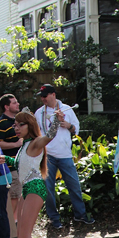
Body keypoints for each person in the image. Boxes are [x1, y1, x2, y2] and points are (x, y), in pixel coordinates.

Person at [0, 110, 64, 238]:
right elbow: (23, 165)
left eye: (21, 124)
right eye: (15, 125)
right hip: (26, 189)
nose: (16, 128)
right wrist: (8, 160)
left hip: (35, 188)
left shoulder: (36, 142)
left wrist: (57, 121)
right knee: (21, 236)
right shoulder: (24, 145)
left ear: (29, 125)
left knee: (25, 235)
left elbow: (49, 137)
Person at [34, 84, 94, 229]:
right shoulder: (39, 113)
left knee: (74, 185)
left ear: (53, 95)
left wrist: (68, 125)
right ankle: (54, 218)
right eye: (41, 96)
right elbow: (37, 134)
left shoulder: (67, 109)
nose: (43, 99)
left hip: (65, 155)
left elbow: (76, 129)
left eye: (45, 95)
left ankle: (80, 214)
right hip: (48, 155)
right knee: (48, 188)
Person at [0, 94, 23, 225]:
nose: (17, 104)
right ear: (6, 107)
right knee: (14, 195)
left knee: (19, 194)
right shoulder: (1, 123)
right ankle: (12, 222)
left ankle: (16, 219)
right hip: (10, 165)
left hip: (21, 164)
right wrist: (16, 144)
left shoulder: (18, 121)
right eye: (14, 103)